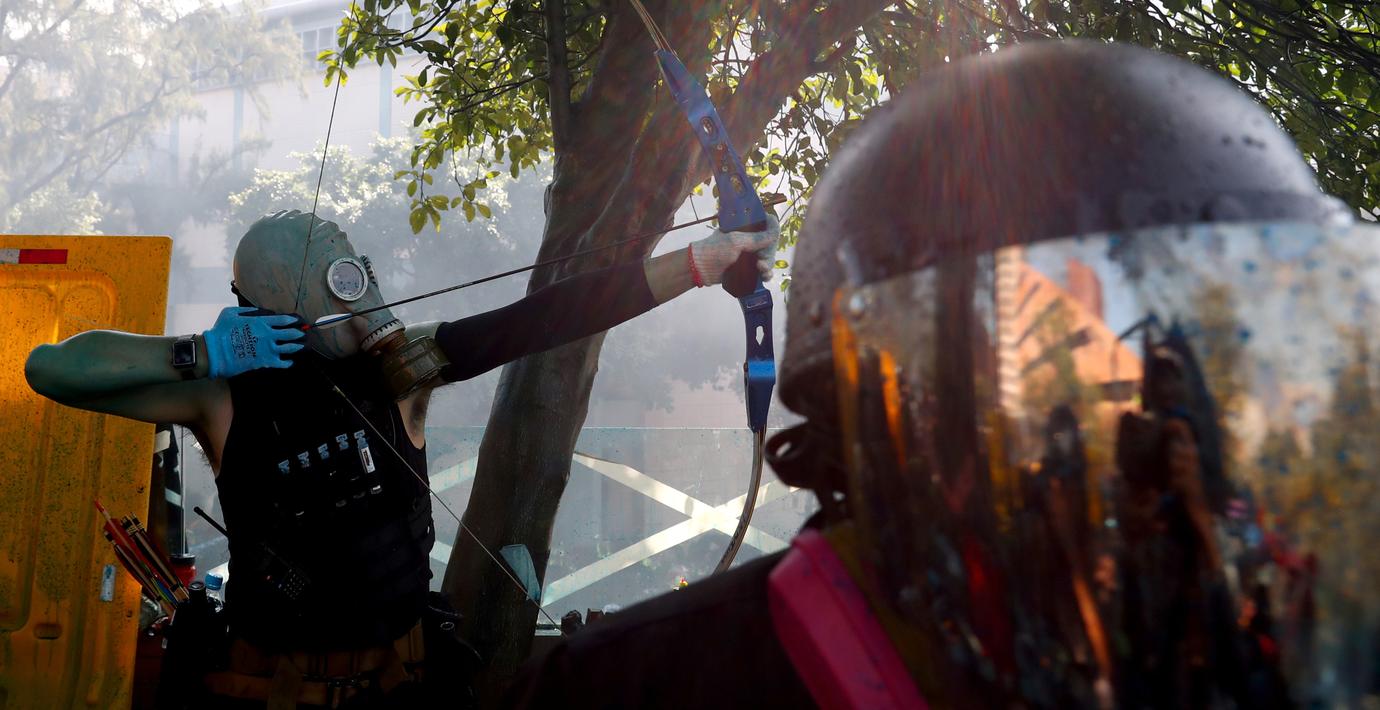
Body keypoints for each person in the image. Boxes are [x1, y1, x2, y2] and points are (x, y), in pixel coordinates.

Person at [507, 39, 1380, 709]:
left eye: (1155, 400)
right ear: (885, 416)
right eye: (1053, 380)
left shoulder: (1228, 637)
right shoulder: (648, 690)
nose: (1129, 441)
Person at [24, 208, 777, 708]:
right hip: (268, 691)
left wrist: (700, 261)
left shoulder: (403, 374)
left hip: (402, 689)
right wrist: (199, 351)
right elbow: (51, 369)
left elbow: (544, 318)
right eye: (335, 279)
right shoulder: (222, 396)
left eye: (353, 271)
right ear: (274, 304)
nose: (358, 291)